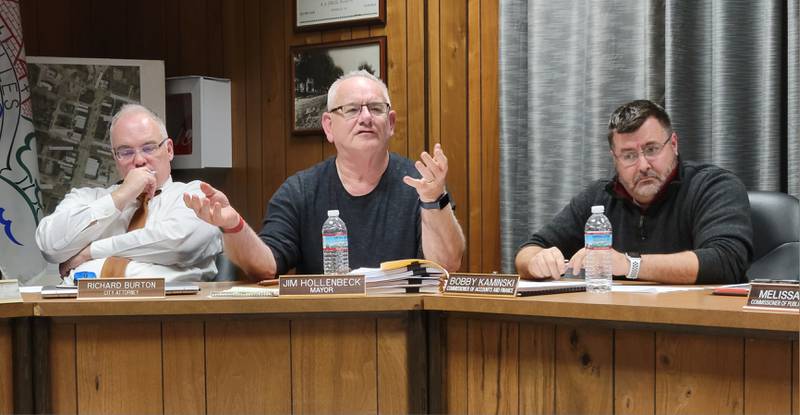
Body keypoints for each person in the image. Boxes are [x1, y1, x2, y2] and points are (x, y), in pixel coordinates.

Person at [184, 70, 465, 279]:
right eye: (352, 109)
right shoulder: (301, 190)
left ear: (390, 123)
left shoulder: (420, 184)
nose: (365, 117)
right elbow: (266, 268)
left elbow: (447, 265)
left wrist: (433, 201)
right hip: (321, 336)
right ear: (329, 126)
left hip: (405, 330)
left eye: (376, 109)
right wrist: (233, 225)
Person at [515, 99, 752, 284]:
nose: (643, 165)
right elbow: (528, 250)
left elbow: (726, 260)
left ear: (674, 145)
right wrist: (537, 261)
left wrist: (629, 265)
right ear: (614, 159)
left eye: (651, 149)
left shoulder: (713, 186)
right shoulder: (599, 197)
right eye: (629, 156)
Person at [36, 104, 223, 281]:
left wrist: (90, 252)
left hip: (166, 311)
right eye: (126, 152)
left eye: (149, 148)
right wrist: (122, 195)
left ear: (169, 150)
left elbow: (179, 245)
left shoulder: (196, 194)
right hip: (80, 311)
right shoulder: (85, 198)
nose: (139, 160)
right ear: (115, 158)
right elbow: (50, 246)